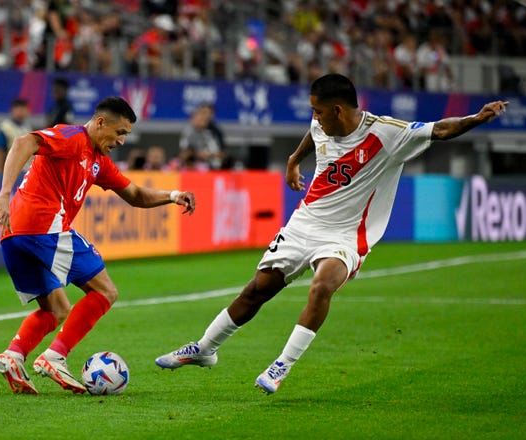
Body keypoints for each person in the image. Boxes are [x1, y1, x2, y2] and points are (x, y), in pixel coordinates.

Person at [155, 73, 508, 394]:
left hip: (346, 235)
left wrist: (476, 119)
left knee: (322, 285)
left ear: (338, 110)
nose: (315, 117)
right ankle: (205, 349)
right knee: (256, 290)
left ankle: (281, 366)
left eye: (319, 111)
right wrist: (294, 160)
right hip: (305, 222)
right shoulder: (322, 122)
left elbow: (439, 130)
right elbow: (313, 132)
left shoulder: (387, 134)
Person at [0, 96, 196, 394]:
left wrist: (173, 195)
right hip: (42, 226)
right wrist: (3, 193)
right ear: (100, 123)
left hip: (13, 236)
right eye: (119, 132)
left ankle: (14, 355)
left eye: (126, 135)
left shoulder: (99, 162)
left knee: (57, 308)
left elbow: (135, 194)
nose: (122, 141)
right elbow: (24, 142)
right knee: (105, 291)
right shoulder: (72, 138)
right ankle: (55, 357)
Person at [0, 98, 32, 173]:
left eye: (23, 109)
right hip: (11, 171)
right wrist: (1, 171)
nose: (21, 112)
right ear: (12, 110)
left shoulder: (27, 128)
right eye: (18, 109)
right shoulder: (5, 128)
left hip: (26, 170)